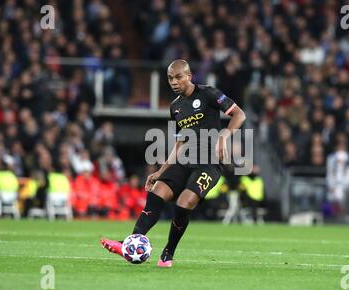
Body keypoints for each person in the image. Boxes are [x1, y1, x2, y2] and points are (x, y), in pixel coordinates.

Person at [101, 59, 246, 267]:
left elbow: (239, 114)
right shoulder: (176, 106)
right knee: (156, 194)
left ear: (189, 76)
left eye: (178, 77)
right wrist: (161, 170)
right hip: (185, 161)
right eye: (170, 78)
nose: (174, 82)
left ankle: (168, 253)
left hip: (209, 164)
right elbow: (180, 142)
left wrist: (224, 135)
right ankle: (129, 244)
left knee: (183, 204)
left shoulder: (209, 94)